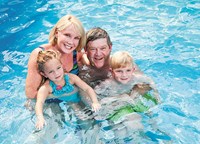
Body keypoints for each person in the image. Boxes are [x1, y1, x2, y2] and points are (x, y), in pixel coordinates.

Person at [35, 50, 101, 130]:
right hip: (64, 104)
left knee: (85, 117)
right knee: (60, 120)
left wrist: (95, 102)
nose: (56, 73)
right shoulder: (46, 88)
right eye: (51, 72)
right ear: (44, 74)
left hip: (77, 100)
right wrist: (40, 118)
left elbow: (87, 88)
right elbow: (39, 103)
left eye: (58, 68)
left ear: (62, 65)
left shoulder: (71, 78)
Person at [25, 14, 86, 99]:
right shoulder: (40, 55)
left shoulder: (76, 54)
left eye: (76, 38)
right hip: (46, 101)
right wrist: (65, 94)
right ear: (57, 33)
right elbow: (31, 94)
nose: (71, 42)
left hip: (71, 98)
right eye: (67, 35)